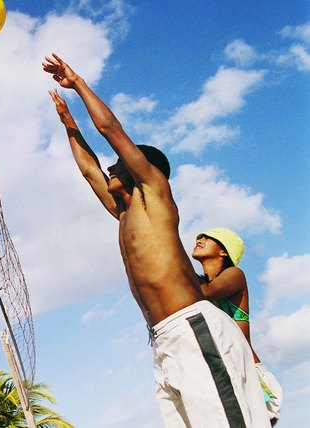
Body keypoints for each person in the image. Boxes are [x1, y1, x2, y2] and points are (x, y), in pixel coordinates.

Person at [43, 53, 269, 427]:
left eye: (118, 163)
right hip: (163, 341)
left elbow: (112, 131)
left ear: (138, 168)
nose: (110, 167)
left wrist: (78, 83)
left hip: (191, 327)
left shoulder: (155, 193)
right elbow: (88, 169)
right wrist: (69, 124)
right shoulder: (124, 214)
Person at [192, 228, 283, 425]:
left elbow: (204, 293)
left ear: (224, 252)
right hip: (231, 372)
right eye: (199, 237)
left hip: (253, 377)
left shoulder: (234, 275)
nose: (200, 239)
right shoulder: (199, 283)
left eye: (208, 238)